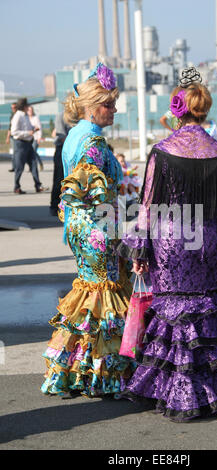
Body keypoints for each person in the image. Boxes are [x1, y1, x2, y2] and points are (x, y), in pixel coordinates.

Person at [117, 67, 217, 422]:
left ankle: (173, 388)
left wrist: (139, 250)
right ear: (205, 109)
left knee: (173, 309)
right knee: (205, 307)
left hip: (170, 241)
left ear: (177, 109)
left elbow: (148, 204)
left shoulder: (162, 151)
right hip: (209, 238)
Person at [41, 62, 136, 398]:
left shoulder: (73, 136)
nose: (114, 109)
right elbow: (92, 192)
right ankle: (104, 375)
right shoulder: (92, 141)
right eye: (109, 104)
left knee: (88, 296)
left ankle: (72, 370)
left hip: (78, 226)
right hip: (97, 226)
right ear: (93, 107)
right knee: (104, 297)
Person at [10, 98, 46, 194]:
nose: (29, 107)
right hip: (20, 143)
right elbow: (14, 132)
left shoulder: (25, 116)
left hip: (28, 143)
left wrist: (33, 129)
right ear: (24, 107)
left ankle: (38, 185)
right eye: (27, 105)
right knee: (19, 167)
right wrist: (28, 132)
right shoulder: (17, 116)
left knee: (34, 164)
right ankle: (16, 187)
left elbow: (28, 128)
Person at [49, 113, 70, 216]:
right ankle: (54, 206)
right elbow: (61, 136)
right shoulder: (61, 116)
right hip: (63, 150)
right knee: (59, 179)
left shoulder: (81, 116)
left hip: (75, 150)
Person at [27, 105, 43, 171]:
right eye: (28, 110)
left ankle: (35, 166)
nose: (30, 111)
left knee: (33, 152)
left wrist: (39, 137)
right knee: (30, 152)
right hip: (28, 139)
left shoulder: (35, 118)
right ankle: (33, 165)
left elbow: (39, 128)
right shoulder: (26, 118)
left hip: (35, 138)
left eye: (31, 110)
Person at [5, 102, 17, 172]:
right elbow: (10, 127)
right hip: (12, 136)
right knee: (14, 152)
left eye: (14, 107)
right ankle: (14, 167)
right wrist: (7, 137)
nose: (13, 109)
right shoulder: (12, 116)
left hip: (18, 137)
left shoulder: (20, 115)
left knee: (19, 153)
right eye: (12, 108)